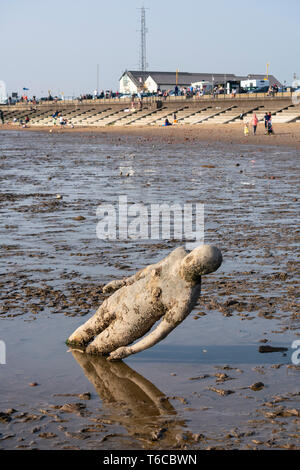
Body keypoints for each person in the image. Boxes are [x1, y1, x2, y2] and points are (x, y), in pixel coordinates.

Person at [67, 244, 222, 360]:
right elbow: (150, 269)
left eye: (194, 261)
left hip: (130, 325)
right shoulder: (178, 254)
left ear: (203, 271)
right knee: (77, 338)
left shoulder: (186, 296)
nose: (188, 259)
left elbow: (161, 332)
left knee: (95, 352)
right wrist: (123, 282)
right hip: (121, 299)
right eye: (192, 254)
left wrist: (130, 350)